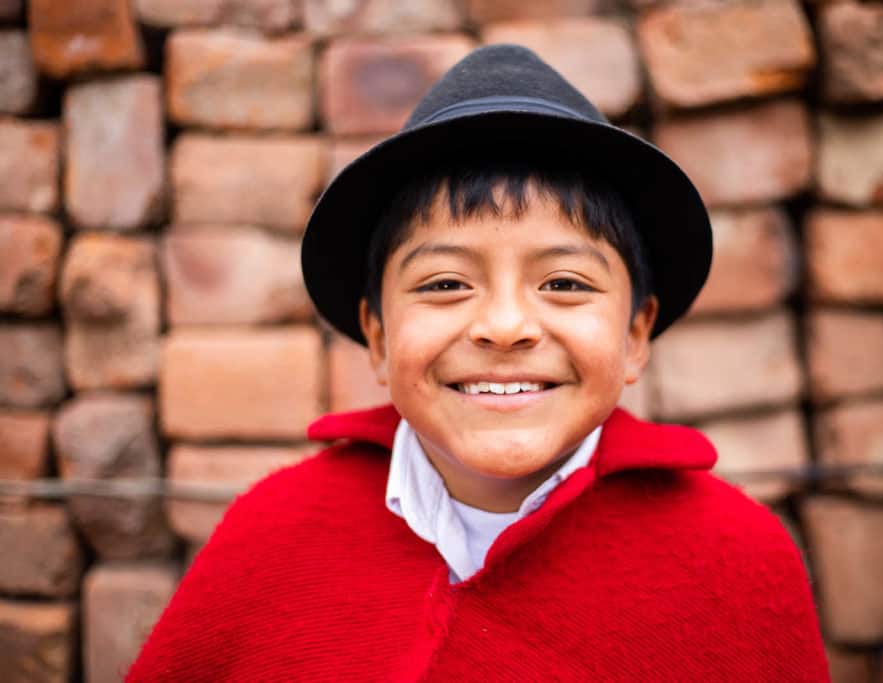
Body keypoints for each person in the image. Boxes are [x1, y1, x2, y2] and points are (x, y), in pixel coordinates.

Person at [128, 45, 829, 681]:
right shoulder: (274, 534)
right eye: (444, 284)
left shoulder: (732, 558)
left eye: (564, 283)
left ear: (635, 336)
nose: (503, 326)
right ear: (375, 336)